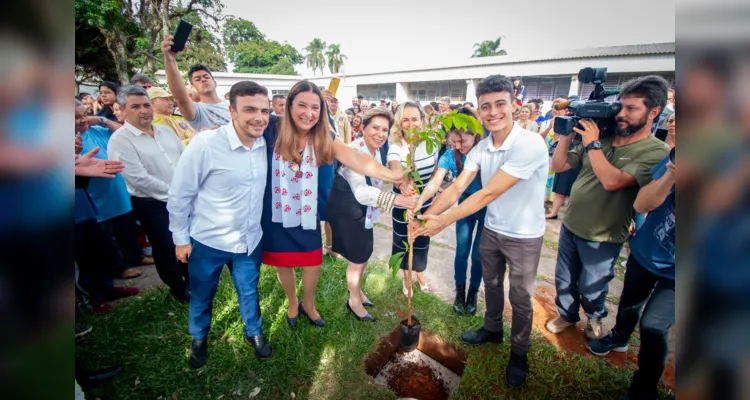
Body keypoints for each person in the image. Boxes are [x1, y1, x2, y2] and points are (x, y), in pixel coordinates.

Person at [414, 74, 549, 388]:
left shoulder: (530, 143)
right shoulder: (482, 147)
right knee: (490, 284)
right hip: (493, 228)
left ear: (514, 104)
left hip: (524, 235)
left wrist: (442, 221)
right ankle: (491, 329)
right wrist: (425, 217)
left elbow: (486, 194)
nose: (493, 112)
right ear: (479, 109)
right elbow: (456, 187)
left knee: (520, 297)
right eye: (485, 106)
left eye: (500, 104)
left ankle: (519, 353)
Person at [261, 81, 404, 329]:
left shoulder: (323, 135)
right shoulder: (272, 127)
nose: (309, 113)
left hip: (306, 211)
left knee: (313, 261)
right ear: (289, 105)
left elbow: (354, 158)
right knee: (284, 262)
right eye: (302, 105)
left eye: (315, 107)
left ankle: (309, 304)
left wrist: (393, 176)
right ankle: (293, 303)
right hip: (276, 210)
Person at [546, 75, 671, 340]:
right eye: (620, 107)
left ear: (654, 112)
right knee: (564, 281)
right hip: (571, 224)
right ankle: (567, 315)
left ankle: (594, 318)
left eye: (631, 109)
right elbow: (559, 166)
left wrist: (592, 143)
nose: (621, 114)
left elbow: (613, 181)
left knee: (592, 287)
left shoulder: (655, 151)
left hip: (604, 234)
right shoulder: (603, 138)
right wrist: (567, 135)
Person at [168, 81, 273, 367]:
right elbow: (180, 193)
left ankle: (254, 333)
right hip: (208, 241)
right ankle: (199, 338)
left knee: (249, 290)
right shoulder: (206, 143)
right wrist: (180, 238)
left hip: (250, 240)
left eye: (264, 110)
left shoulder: (266, 142)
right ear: (232, 111)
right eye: (249, 109)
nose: (259, 117)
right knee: (203, 294)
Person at [586, 152, 675, 400]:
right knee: (629, 302)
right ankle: (619, 336)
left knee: (654, 326)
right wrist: (673, 172)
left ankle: (645, 387)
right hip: (647, 252)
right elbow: (641, 204)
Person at [327, 107, 417, 322]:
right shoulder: (353, 152)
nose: (380, 134)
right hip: (349, 209)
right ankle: (354, 301)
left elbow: (383, 173)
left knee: (364, 253)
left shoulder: (379, 149)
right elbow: (362, 192)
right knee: (357, 259)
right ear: (363, 128)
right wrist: (398, 200)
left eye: (384, 130)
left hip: (365, 209)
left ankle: (358, 292)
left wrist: (403, 182)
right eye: (374, 128)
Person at [107, 85, 191, 302]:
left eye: (146, 105)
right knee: (165, 247)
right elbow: (137, 178)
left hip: (183, 198)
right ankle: (178, 288)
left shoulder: (164, 131)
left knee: (188, 241)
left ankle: (192, 282)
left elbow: (186, 159)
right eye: (136, 106)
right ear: (123, 109)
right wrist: (176, 193)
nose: (143, 110)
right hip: (152, 203)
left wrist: (188, 189)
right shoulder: (120, 139)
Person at [409, 107, 485, 315]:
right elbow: (436, 181)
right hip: (464, 205)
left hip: (487, 206)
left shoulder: (485, 152)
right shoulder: (451, 156)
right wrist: (421, 200)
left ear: (475, 135)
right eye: (454, 142)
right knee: (462, 250)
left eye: (463, 142)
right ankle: (459, 291)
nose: (459, 147)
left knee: (479, 254)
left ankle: (473, 293)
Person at [76, 100, 146, 280]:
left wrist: (101, 120)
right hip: (94, 198)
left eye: (84, 115)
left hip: (118, 193)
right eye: (76, 117)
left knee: (127, 228)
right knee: (104, 237)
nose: (83, 120)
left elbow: (123, 132)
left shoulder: (96, 131)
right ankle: (117, 268)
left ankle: (135, 257)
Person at [387, 101, 439, 296]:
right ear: (399, 124)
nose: (410, 124)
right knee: (403, 241)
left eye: (414, 119)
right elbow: (395, 170)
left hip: (425, 203)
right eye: (405, 120)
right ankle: (406, 279)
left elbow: (434, 173)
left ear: (422, 120)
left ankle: (420, 273)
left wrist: (431, 192)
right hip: (403, 203)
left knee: (422, 240)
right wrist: (402, 184)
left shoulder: (431, 142)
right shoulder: (396, 147)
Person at [161, 36, 231, 131]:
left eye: (206, 77)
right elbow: (180, 98)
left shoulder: (232, 105)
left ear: (215, 83)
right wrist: (169, 60)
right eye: (197, 79)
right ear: (193, 87)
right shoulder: (197, 110)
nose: (203, 80)